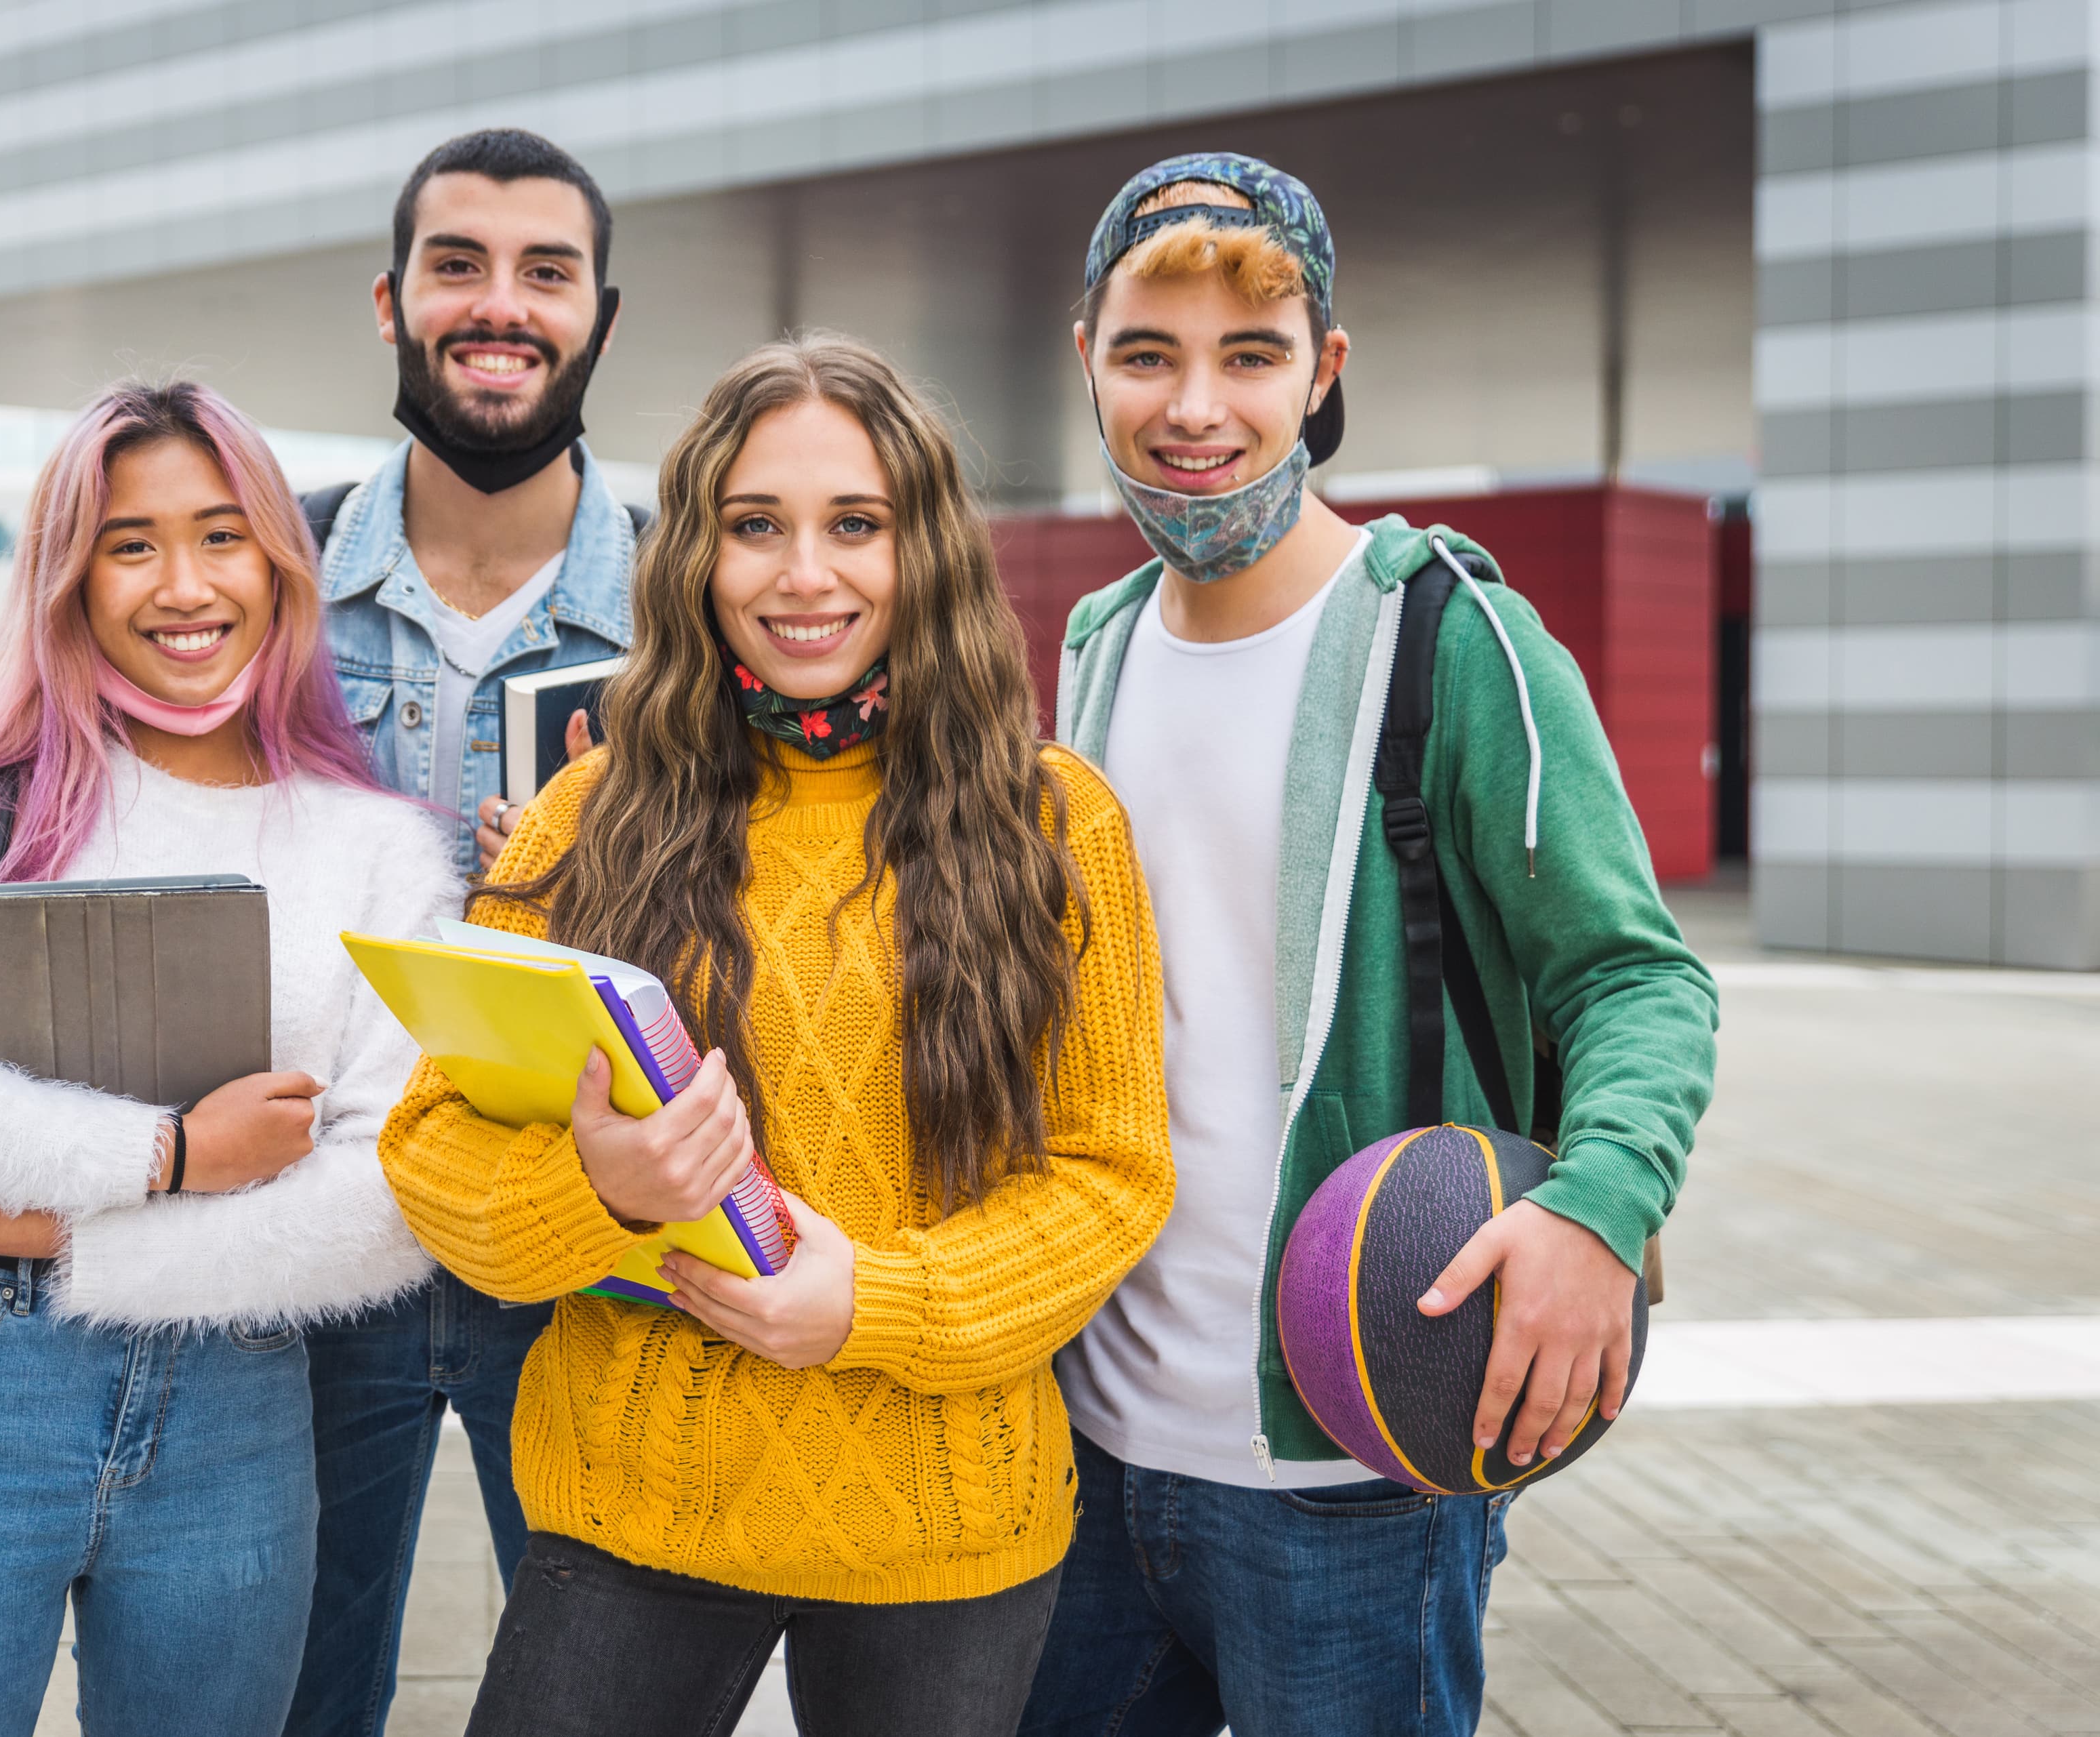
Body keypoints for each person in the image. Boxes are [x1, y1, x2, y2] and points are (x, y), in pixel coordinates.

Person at [376, 335, 1175, 1737]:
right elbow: (433, 1148)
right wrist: (604, 1187)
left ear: (924, 547)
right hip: (635, 1510)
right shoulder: (587, 813)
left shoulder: (1059, 825)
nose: (805, 575)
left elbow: (1111, 1177)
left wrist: (875, 1303)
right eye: (757, 527)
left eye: (855, 524)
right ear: (698, 552)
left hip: (944, 1522)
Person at [1019, 155, 1720, 1737]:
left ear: (1322, 372)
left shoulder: (1454, 632)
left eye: (1251, 355)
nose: (1197, 407)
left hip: (1352, 1466)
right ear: (1089, 362)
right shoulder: (1097, 645)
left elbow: (1636, 977)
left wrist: (1599, 1214)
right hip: (1088, 1447)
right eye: (1148, 353)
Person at [0, 380, 457, 1737]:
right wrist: (174, 1156)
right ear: (68, 573)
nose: (183, 585)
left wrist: (46, 1233)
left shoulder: (376, 843)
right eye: (130, 542)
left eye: (223, 534)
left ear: (280, 561)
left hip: (241, 1408)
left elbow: (392, 1200)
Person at [296, 127, 637, 1734]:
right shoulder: (261, 579)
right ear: (391, 300)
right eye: (459, 264)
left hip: (589, 1250)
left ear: (599, 319)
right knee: (296, 1691)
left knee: (612, 1701)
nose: (500, 306)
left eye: (544, 271)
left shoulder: (704, 610)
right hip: (308, 1240)